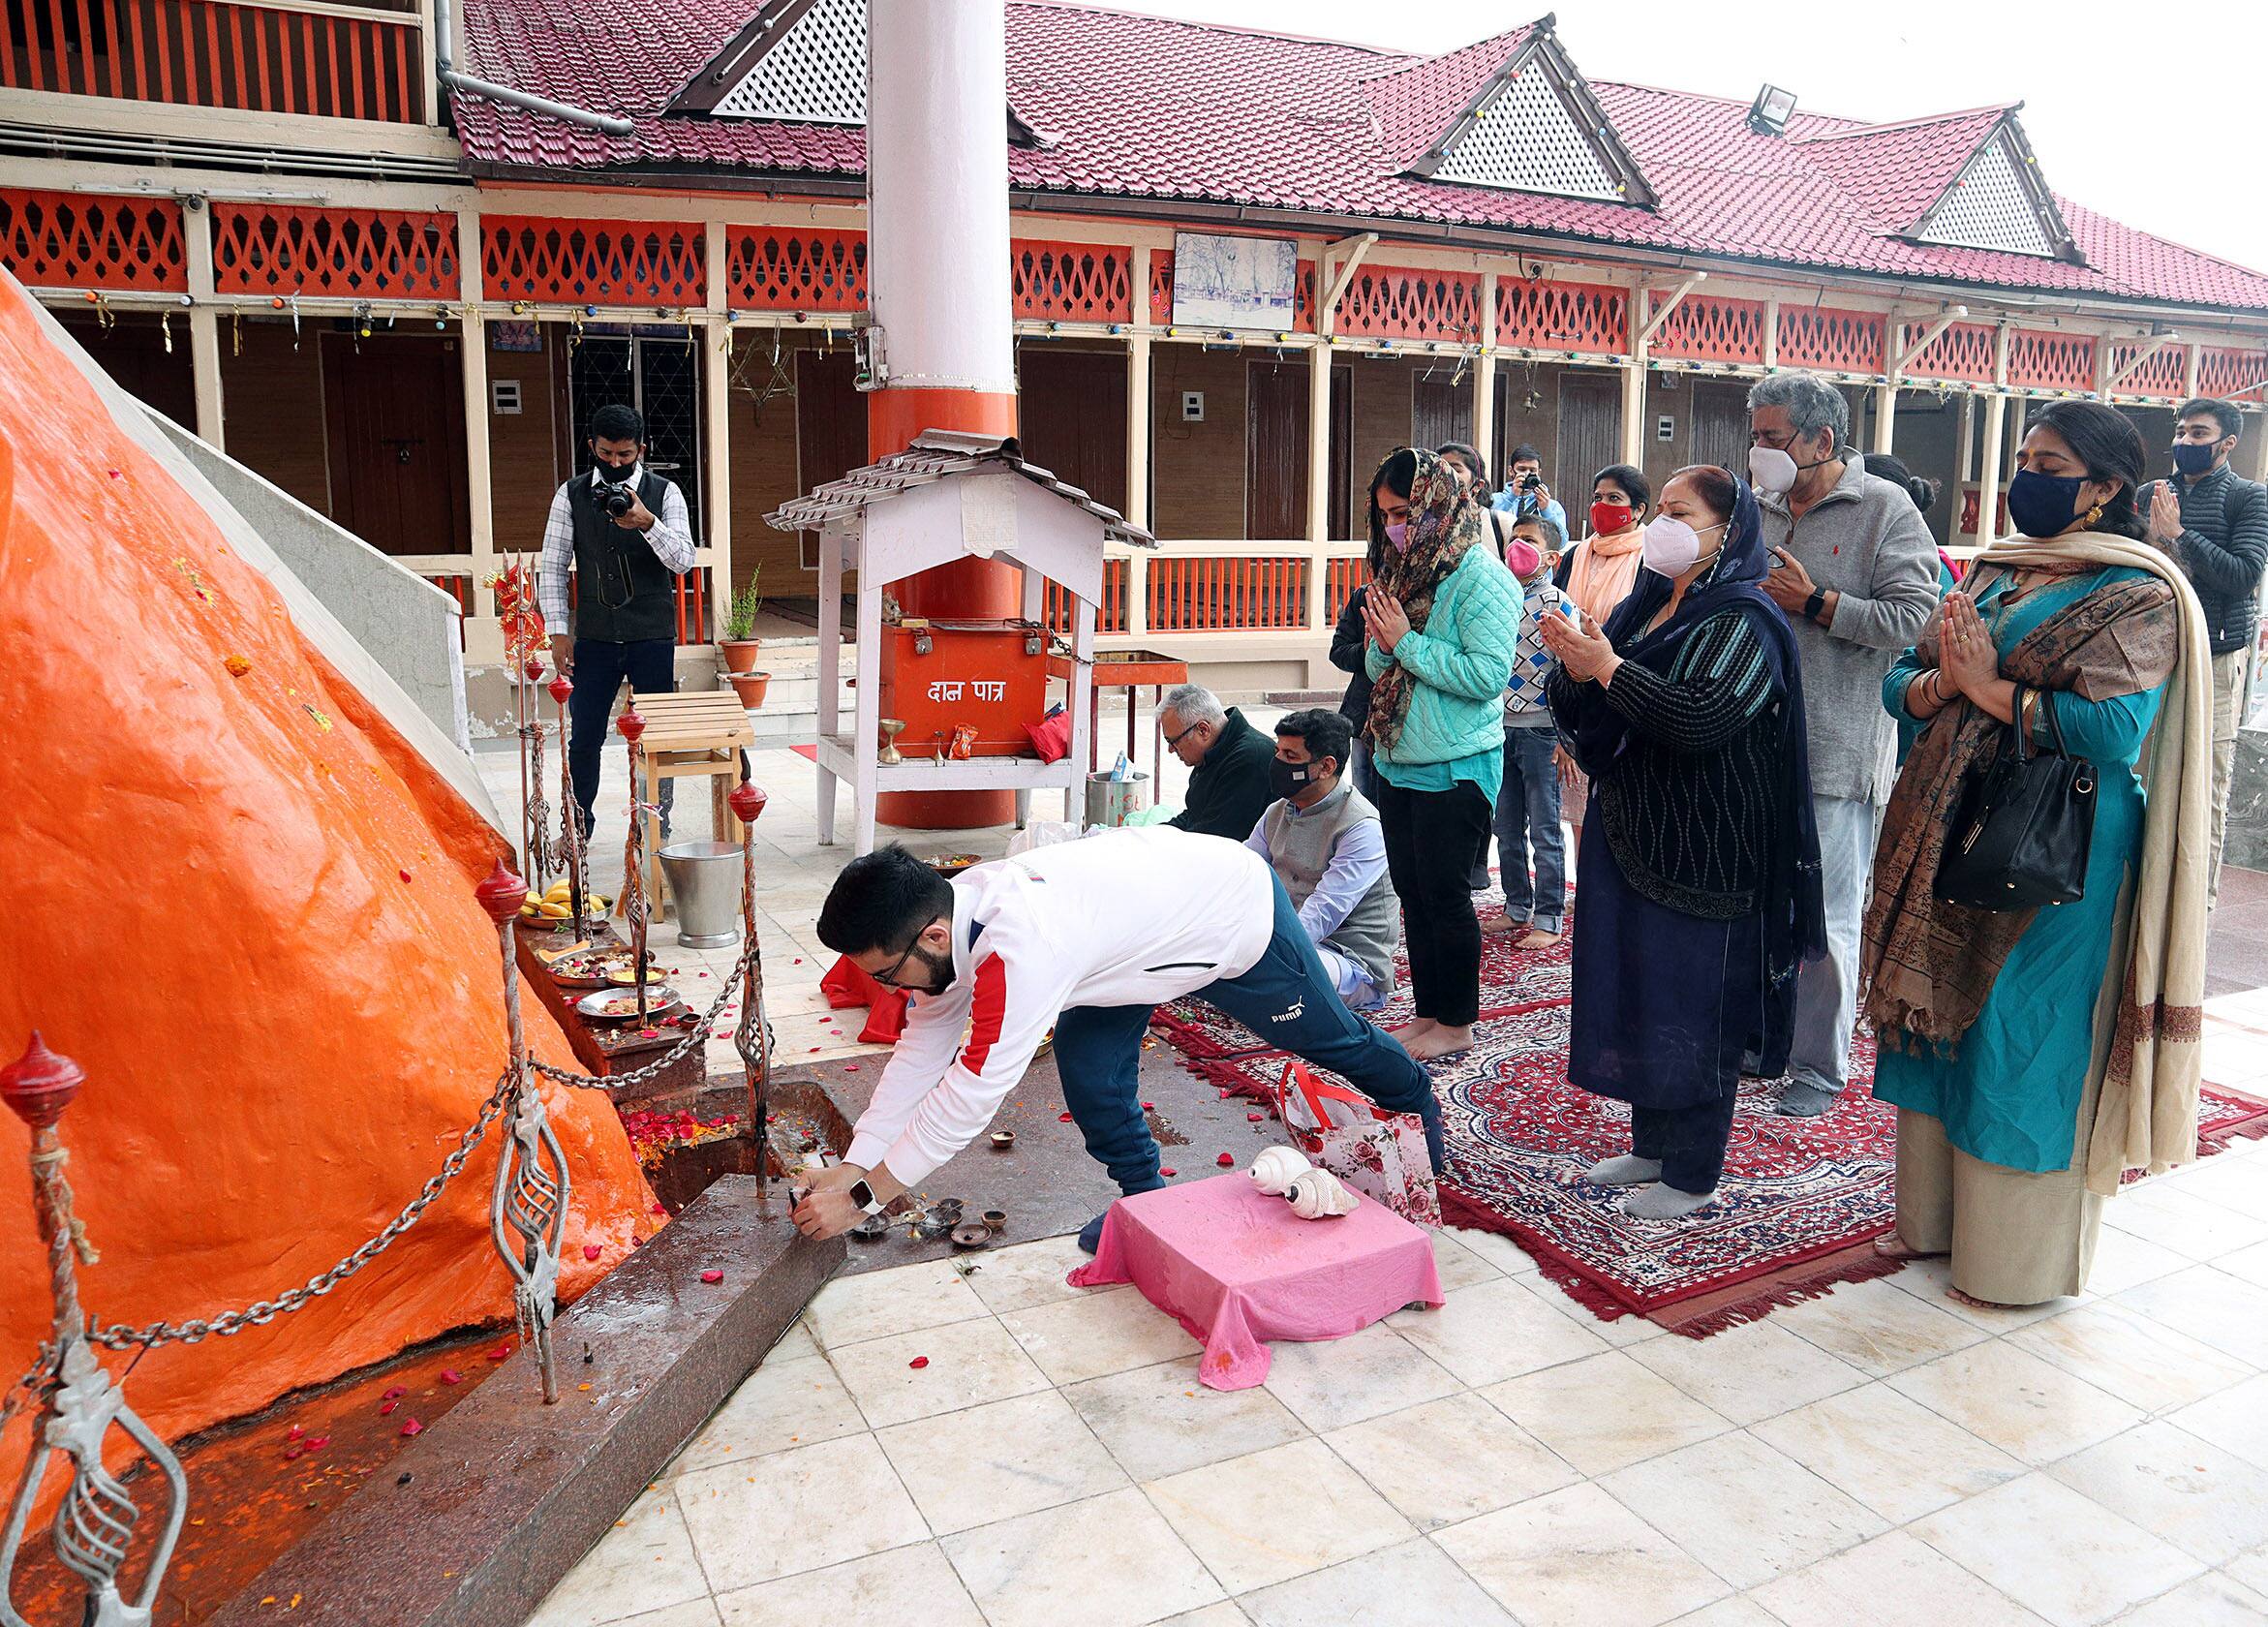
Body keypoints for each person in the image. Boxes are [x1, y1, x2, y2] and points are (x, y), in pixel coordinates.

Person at [1865, 401, 2210, 1307]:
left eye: (2049, 462)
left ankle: (2012, 1262)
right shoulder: (1997, 572)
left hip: (2059, 851)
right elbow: (1903, 677)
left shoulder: (2138, 593)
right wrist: (1945, 682)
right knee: (1948, 1017)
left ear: (2103, 488)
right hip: (1951, 823)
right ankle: (1934, 1223)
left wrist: (1983, 687)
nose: (2028, 475)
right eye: (2024, 457)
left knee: (2029, 1030)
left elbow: (2107, 729)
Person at [797, 832, 1446, 1252]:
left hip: (1230, 917)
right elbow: (920, 1054)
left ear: (932, 937)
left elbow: (966, 1100)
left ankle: (1419, 1102)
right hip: (1131, 946)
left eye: (886, 974)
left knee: (1331, 1038)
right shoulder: (953, 910)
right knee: (1090, 1072)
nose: (889, 990)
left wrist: (863, 1197)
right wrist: (858, 1164)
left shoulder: (1020, 950)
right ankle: (1149, 1206)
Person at [1544, 467, 1824, 1218]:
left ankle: (1693, 1171)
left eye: (1679, 512)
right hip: (1634, 831)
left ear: (1726, 531)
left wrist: (1605, 668)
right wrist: (1580, 661)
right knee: (1639, 989)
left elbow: (1699, 721)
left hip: (1708, 847)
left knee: (1696, 1006)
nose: (1661, 524)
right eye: (1659, 510)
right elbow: (1600, 708)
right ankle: (1652, 1144)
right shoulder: (1646, 603)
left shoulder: (1747, 619)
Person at [1750, 370, 1940, 1118]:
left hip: (1833, 750)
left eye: (1774, 438)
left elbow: (1915, 619)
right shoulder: (1757, 507)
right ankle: (1763, 1039)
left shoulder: (1885, 509)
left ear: (1822, 439)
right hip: (1750, 746)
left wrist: (1818, 603)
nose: (1761, 452)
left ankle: (1820, 1069)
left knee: (1825, 918)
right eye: (1756, 437)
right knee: (1754, 906)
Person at [1362, 447, 1522, 1060]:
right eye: (1384, 517)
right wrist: (1383, 642)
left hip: (1455, 765)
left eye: (1404, 512)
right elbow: (1379, 666)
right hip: (1398, 756)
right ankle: (1428, 1013)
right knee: (1412, 891)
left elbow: (1487, 676)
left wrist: (1406, 642)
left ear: (1438, 505)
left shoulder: (1483, 577)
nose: (1394, 527)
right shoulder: (1405, 570)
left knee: (1445, 895)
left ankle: (1457, 1021)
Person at [541, 403, 696, 838]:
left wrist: (648, 523)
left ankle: (656, 828)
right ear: (592, 445)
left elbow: (684, 561)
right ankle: (576, 826)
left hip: (651, 634)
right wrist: (557, 631)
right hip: (594, 635)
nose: (614, 463)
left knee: (656, 738)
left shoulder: (664, 493)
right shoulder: (569, 494)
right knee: (585, 737)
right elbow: (552, 565)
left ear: (640, 449)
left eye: (624, 455)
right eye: (606, 453)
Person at [2139, 397, 2267, 912]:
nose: (2185, 442)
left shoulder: (2248, 498)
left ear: (2227, 443)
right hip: (2150, 653)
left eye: (2199, 434)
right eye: (2182, 431)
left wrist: (2180, 536)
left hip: (2216, 655)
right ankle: (2141, 896)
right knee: (2144, 771)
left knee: (2205, 784)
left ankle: (2196, 907)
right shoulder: (2151, 493)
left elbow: (2243, 576)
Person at [1245, 708, 1398, 1012]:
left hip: (1346, 959)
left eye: (1290, 757)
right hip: (1285, 940)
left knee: (1270, 972)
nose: (1277, 763)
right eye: (1278, 753)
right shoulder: (1277, 811)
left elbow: (1324, 911)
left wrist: (1262, 951)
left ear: (1326, 766)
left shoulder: (1361, 826)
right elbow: (1243, 875)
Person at [1553, 465, 1653, 857]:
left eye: (1614, 498)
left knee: (1622, 808)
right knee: (1578, 808)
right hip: (1574, 689)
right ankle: (1587, 889)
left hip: (1622, 688)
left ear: (1639, 509)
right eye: (1597, 497)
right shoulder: (1576, 555)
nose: (1602, 506)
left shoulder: (1651, 559)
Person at [1484, 511, 1569, 946]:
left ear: (1551, 556)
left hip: (1541, 733)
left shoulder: (1559, 604)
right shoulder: (1497, 596)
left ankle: (1549, 917)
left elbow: (1574, 674)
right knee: (1506, 825)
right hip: (1500, 729)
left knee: (1545, 828)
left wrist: (1566, 739)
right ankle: (1517, 905)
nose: (1517, 546)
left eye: (1529, 539)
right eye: (1514, 538)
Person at [1439, 439, 1517, 890]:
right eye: (1441, 468)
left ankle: (1478, 866)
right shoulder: (1419, 535)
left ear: (1478, 479)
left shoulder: (1498, 525)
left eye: (1458, 469)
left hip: (1493, 659)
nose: (1450, 476)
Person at [1159, 684, 1277, 842]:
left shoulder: (1249, 758)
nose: (1171, 750)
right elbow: (1195, 815)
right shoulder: (1214, 751)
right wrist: (1152, 834)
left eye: (1173, 741)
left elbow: (1215, 838)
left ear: (1203, 730)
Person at [1330, 584, 1383, 802]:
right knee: (1365, 798)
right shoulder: (1365, 595)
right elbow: (1338, 652)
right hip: (1364, 714)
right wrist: (1366, 650)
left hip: (1414, 720)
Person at [1492, 443, 1570, 540]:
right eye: (1522, 469)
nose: (1527, 474)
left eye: (1532, 470)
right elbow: (1487, 529)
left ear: (1539, 473)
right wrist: (1510, 498)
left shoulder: (1553, 506)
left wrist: (1546, 510)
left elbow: (1561, 542)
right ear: (1511, 471)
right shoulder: (1495, 500)